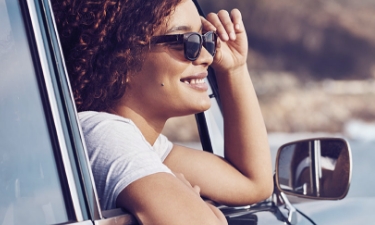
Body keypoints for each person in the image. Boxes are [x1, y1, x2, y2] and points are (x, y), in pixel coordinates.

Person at [52, 0, 273, 224]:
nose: (208, 57)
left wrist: (233, 69)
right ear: (122, 58)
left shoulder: (149, 148)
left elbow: (253, 183)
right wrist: (206, 211)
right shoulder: (103, 133)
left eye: (206, 39)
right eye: (186, 42)